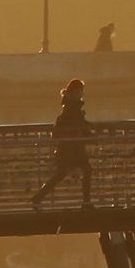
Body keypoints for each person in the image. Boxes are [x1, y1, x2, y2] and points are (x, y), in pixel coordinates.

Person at [30, 79, 93, 209]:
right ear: (75, 91)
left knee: (62, 173)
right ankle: (86, 202)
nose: (81, 93)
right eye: (80, 91)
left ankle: (38, 197)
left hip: (69, 148)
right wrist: (88, 133)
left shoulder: (70, 106)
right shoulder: (73, 107)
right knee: (85, 170)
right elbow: (76, 125)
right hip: (73, 148)